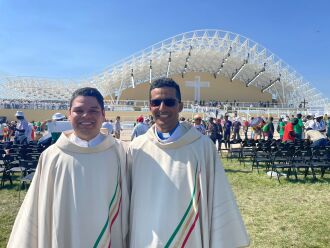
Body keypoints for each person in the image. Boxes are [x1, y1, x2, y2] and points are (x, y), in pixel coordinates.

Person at [127, 78, 249, 247]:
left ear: (180, 106)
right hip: (145, 236)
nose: (162, 107)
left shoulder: (202, 146)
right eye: (156, 102)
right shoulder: (136, 148)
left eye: (169, 102)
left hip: (189, 237)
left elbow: (217, 196)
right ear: (150, 106)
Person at [8, 87, 129, 248]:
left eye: (93, 110)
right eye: (79, 110)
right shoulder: (52, 156)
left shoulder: (120, 152)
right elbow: (37, 208)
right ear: (69, 114)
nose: (86, 116)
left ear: (103, 114)